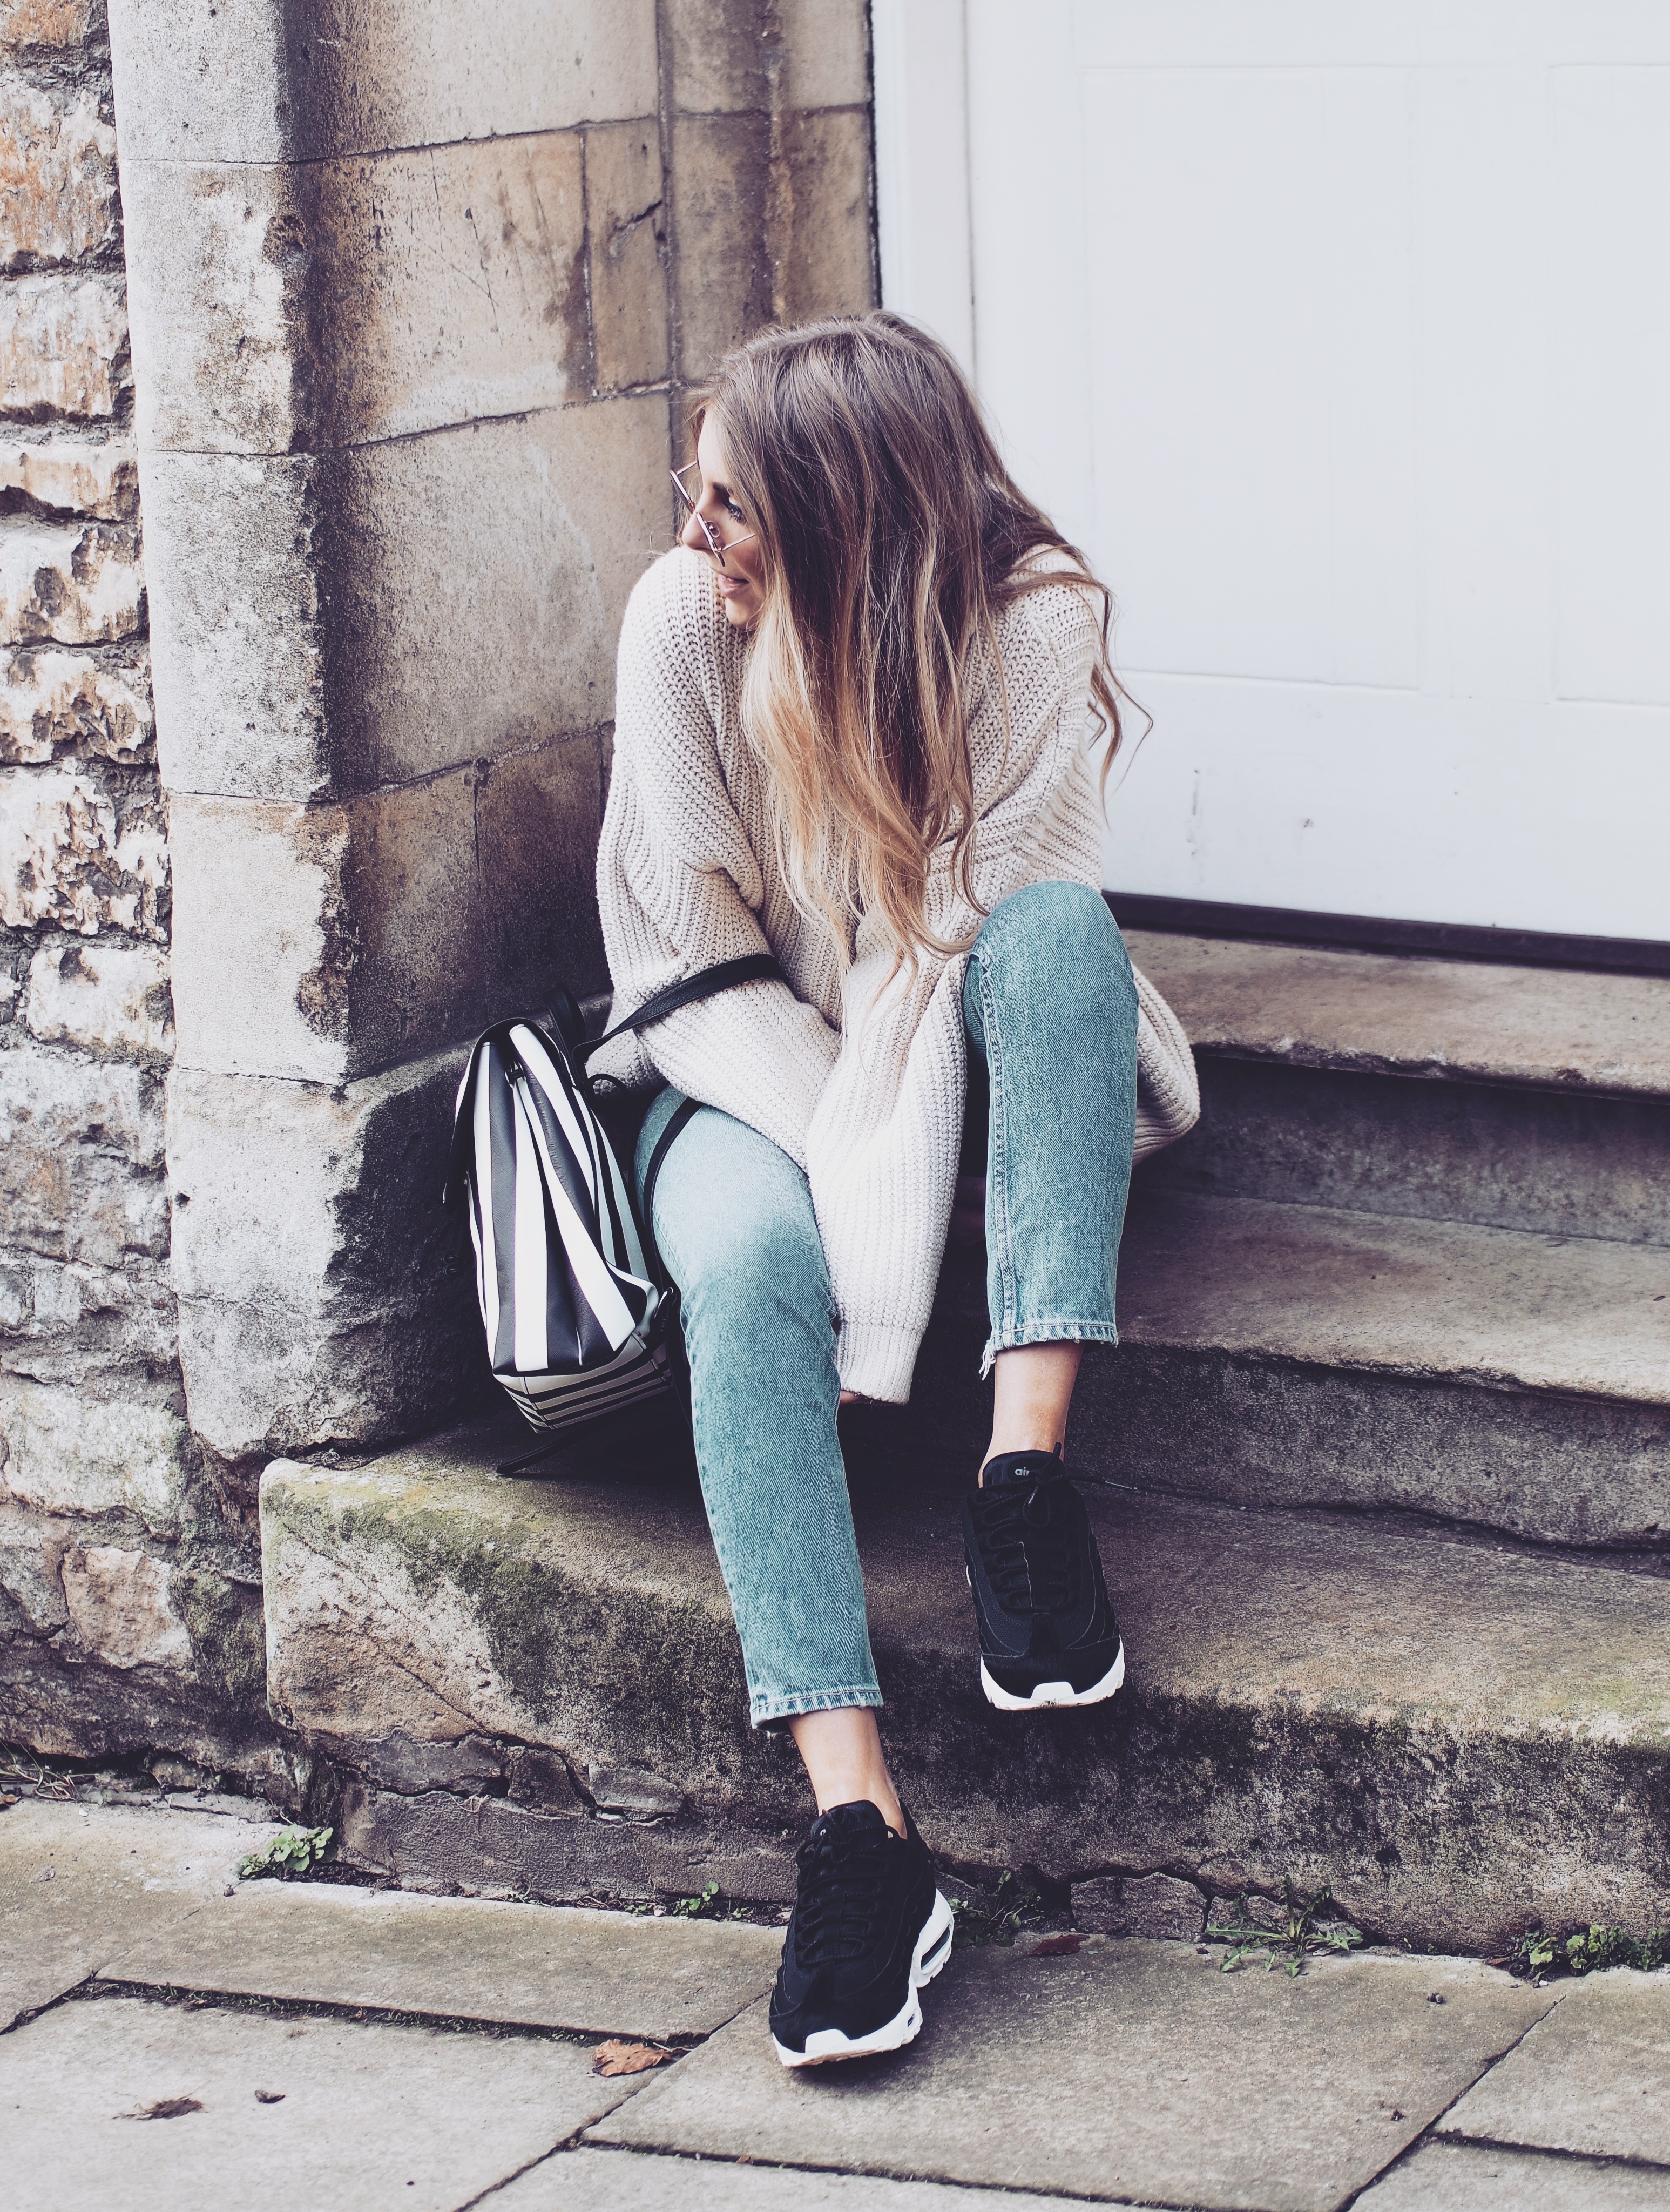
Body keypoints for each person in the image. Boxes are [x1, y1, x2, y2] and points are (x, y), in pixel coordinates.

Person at [593, 312, 1198, 2067]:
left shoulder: (1030, 623)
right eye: (692, 499)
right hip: (754, 1062)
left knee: (1065, 938)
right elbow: (686, 957)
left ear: (844, 518)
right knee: (735, 1254)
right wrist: (848, 1167)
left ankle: (1020, 1483)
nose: (693, 537)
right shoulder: (677, 630)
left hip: (977, 1041)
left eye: (729, 509)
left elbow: (978, 937)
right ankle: (860, 1831)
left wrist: (899, 1150)